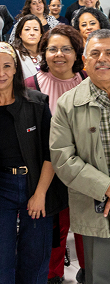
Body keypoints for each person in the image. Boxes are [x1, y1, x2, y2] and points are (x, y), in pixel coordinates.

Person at [0, 42, 64, 284]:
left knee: (35, 256)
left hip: (36, 184)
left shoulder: (36, 103)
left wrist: (40, 193)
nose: (1, 73)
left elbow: (51, 153)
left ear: (15, 69)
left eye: (7, 66)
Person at [25, 25, 87, 284]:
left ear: (77, 53)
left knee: (85, 229)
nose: (59, 54)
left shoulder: (88, 80)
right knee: (54, 229)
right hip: (46, 170)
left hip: (85, 169)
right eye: (52, 49)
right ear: (43, 53)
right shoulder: (30, 84)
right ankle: (53, 276)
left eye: (66, 49)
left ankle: (90, 272)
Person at [50, 27, 110, 284]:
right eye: (94, 53)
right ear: (84, 60)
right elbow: (63, 159)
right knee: (100, 275)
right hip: (96, 207)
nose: (102, 58)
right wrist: (107, 188)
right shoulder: (68, 103)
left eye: (109, 52)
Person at [11, 14, 44, 79]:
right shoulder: (14, 55)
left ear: (40, 34)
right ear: (20, 34)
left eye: (36, 29)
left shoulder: (46, 54)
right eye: (27, 29)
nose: (32, 33)